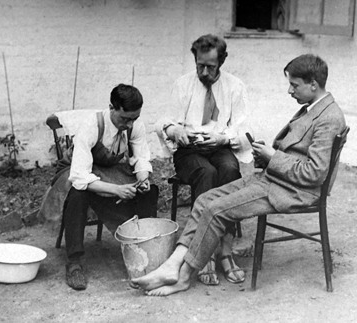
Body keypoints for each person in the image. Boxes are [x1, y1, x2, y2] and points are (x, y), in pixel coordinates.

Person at [133, 54, 347, 296]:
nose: (289, 91)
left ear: (313, 85)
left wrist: (272, 157)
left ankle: (184, 275)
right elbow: (298, 154)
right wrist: (267, 156)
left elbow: (315, 173)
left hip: (294, 190)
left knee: (216, 210)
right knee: (204, 200)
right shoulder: (312, 109)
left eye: (294, 85)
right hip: (277, 180)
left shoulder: (329, 117)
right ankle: (172, 266)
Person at [155, 34, 253, 285]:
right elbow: (166, 121)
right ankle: (204, 253)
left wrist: (223, 139)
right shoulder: (183, 84)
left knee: (230, 171)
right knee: (206, 173)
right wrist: (174, 130)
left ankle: (225, 250)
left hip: (219, 146)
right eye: (200, 65)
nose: (204, 71)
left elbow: (242, 127)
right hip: (190, 151)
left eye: (210, 66)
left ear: (222, 61)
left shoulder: (235, 86)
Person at [45, 84, 159, 291]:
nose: (129, 123)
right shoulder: (91, 125)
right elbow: (80, 176)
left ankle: (142, 249)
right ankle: (74, 262)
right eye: (125, 118)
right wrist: (116, 190)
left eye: (134, 118)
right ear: (112, 108)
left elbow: (141, 157)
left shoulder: (134, 124)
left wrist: (143, 179)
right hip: (75, 171)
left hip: (108, 168)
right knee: (78, 193)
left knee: (150, 191)